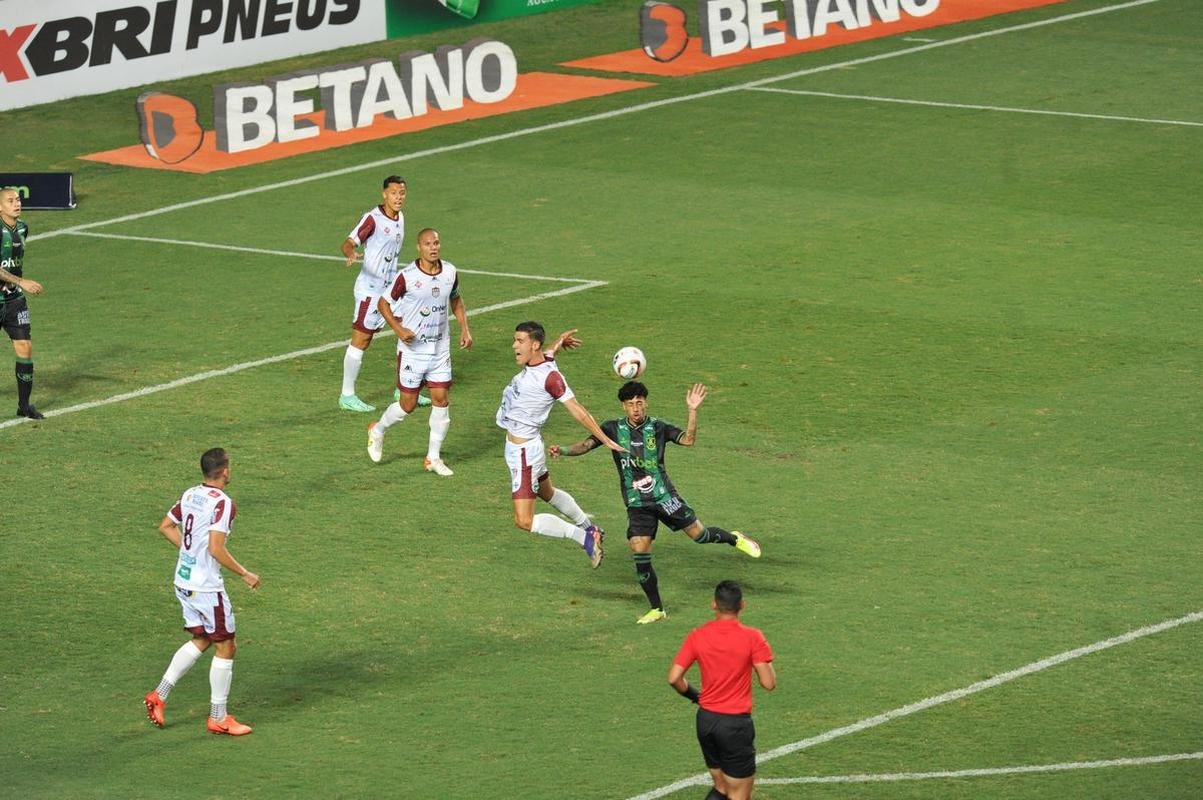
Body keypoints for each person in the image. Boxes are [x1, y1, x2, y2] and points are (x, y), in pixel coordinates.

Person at [551, 381, 761, 624]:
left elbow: (688, 440)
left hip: (665, 498)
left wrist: (692, 410)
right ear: (624, 406)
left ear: (646, 403)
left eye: (639, 402)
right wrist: (564, 450)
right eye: (631, 404)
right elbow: (586, 445)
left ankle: (735, 538)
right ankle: (657, 608)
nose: (636, 408)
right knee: (639, 549)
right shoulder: (611, 428)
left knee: (700, 535)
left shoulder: (658, 427)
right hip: (637, 503)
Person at [143, 448, 261, 736]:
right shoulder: (223, 503)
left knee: (203, 638)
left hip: (183, 580)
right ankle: (218, 717)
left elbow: (166, 526)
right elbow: (216, 548)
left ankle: (159, 694)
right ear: (224, 471)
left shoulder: (189, 494)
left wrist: (190, 554)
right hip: (206, 587)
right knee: (226, 645)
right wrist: (245, 573)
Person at [496, 321, 624, 568]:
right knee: (547, 493)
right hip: (523, 447)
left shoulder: (551, 378)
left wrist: (605, 439)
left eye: (519, 341)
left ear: (534, 345)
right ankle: (591, 528)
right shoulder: (543, 360)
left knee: (524, 520)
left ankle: (584, 538)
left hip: (524, 454)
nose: (514, 346)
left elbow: (578, 410)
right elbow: (549, 355)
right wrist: (558, 343)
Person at [366, 228, 472, 475]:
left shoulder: (450, 272)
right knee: (407, 405)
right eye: (428, 244)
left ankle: (432, 458)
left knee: (441, 400)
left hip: (440, 350)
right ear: (419, 247)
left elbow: (455, 299)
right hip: (413, 351)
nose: (433, 247)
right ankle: (378, 429)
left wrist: (465, 329)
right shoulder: (407, 276)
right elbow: (383, 303)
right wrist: (398, 329)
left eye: (436, 242)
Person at [668, 580, 776, 800]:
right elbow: (769, 683)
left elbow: (674, 678)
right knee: (738, 793)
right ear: (742, 605)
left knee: (721, 787)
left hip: (706, 720)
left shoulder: (698, 635)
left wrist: (695, 696)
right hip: (734, 726)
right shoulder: (753, 637)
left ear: (714, 605)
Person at [338, 175, 429, 412]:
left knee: (408, 331)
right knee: (362, 340)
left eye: (402, 193)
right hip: (370, 291)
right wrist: (350, 253)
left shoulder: (400, 217)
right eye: (394, 193)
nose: (398, 197)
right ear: (384, 194)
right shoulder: (373, 219)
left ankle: (405, 389)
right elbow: (348, 241)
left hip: (391, 291)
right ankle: (347, 395)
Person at [0, 188, 45, 419]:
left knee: (25, 348)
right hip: (12, 291)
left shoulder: (23, 228)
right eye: (10, 201)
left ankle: (24, 407)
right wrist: (22, 281)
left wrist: (18, 285)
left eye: (17, 199)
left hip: (14, 300)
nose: (16, 203)